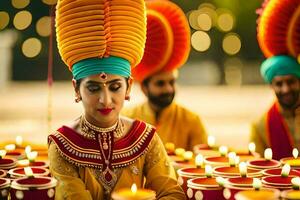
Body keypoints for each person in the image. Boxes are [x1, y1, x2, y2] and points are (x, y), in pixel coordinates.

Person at [48, 0, 185, 199]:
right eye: (93, 88)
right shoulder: (63, 146)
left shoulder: (145, 139)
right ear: (76, 89)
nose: (106, 100)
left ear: (128, 86)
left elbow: (172, 194)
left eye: (115, 87)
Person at [122, 0, 207, 151]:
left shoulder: (191, 121)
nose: (168, 89)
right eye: (160, 84)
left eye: (172, 82)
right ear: (144, 88)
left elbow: (203, 164)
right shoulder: (126, 120)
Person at [250, 55, 300, 160]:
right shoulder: (260, 126)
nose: (286, 89)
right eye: (279, 84)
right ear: (271, 86)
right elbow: (257, 167)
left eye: (291, 82)